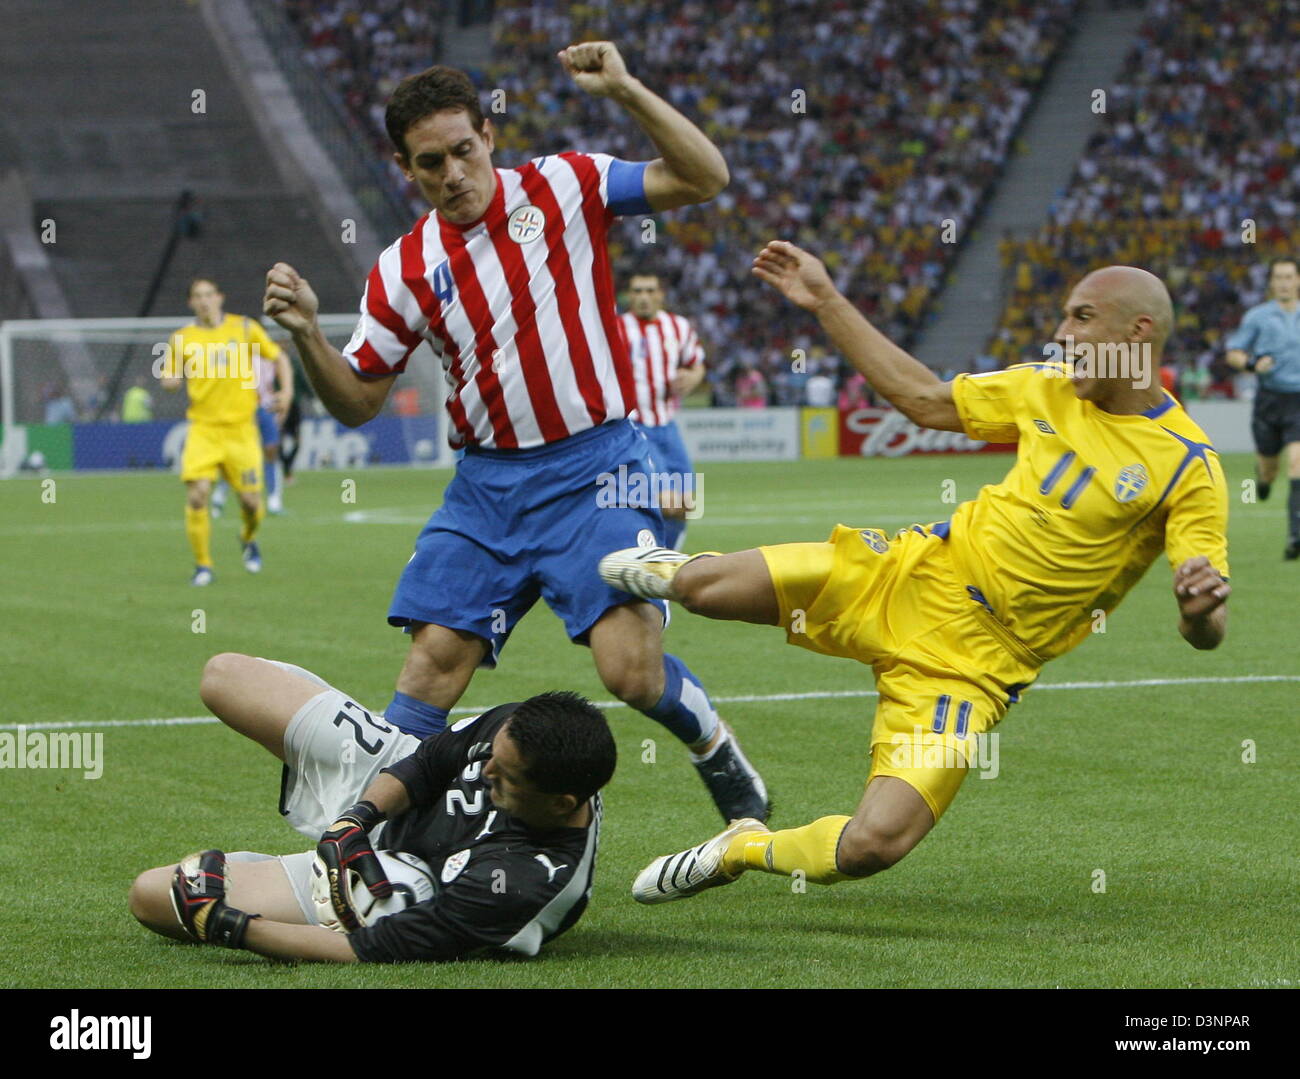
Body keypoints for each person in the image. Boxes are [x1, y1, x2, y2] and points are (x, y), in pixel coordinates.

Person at [600, 243, 1230, 904]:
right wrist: (825, 300)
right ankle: (666, 569)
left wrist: (1197, 611)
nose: (1063, 334)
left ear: (1138, 333)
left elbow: (1208, 629)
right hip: (908, 572)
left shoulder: (1188, 466)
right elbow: (924, 399)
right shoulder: (1042, 385)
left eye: (1082, 318)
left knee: (873, 845)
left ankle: (740, 845)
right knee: (704, 589)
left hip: (975, 665)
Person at [263, 46, 768, 823]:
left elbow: (705, 178)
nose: (453, 174)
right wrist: (307, 337)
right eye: (431, 163)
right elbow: (359, 400)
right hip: (486, 489)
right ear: (408, 169)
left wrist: (626, 89)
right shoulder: (403, 269)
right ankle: (379, 843)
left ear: (489, 136)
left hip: (596, 466)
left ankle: (716, 751)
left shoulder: (566, 185)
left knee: (629, 672)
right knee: (431, 669)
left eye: (464, 150)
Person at [128, 653, 614, 962]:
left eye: (504, 777)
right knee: (225, 676)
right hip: (396, 788)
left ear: (560, 804)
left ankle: (279, 882)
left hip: (405, 875)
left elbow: (368, 950)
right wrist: (355, 819)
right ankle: (298, 864)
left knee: (152, 895)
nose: (487, 772)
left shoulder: (520, 882)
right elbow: (426, 762)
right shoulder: (521, 729)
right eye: (492, 758)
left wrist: (231, 927)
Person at [161, 278, 286, 585]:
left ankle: (247, 537)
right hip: (203, 430)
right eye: (197, 296)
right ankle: (203, 565)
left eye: (208, 295)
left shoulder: (243, 328)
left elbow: (279, 357)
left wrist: (287, 392)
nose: (204, 301)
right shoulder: (181, 339)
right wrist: (171, 381)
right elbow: (168, 376)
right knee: (198, 496)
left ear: (219, 298)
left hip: (241, 430)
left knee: (252, 504)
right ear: (191, 303)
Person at [621, 272, 707, 549]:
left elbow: (696, 363)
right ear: (629, 296)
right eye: (637, 291)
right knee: (665, 501)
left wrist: (693, 378)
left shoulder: (678, 327)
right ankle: (652, 565)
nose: (643, 297)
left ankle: (664, 566)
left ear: (660, 295)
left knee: (686, 503)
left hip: (667, 425)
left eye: (649, 290)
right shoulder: (616, 329)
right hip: (635, 427)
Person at [1224, 256, 1300, 559]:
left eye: (1289, 277)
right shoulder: (1257, 316)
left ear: (1298, 281)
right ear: (1271, 283)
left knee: (1297, 463)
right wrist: (1254, 363)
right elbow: (1233, 354)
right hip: (1269, 400)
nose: (1283, 282)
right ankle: (1263, 480)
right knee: (1270, 470)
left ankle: (1295, 537)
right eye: (1278, 277)